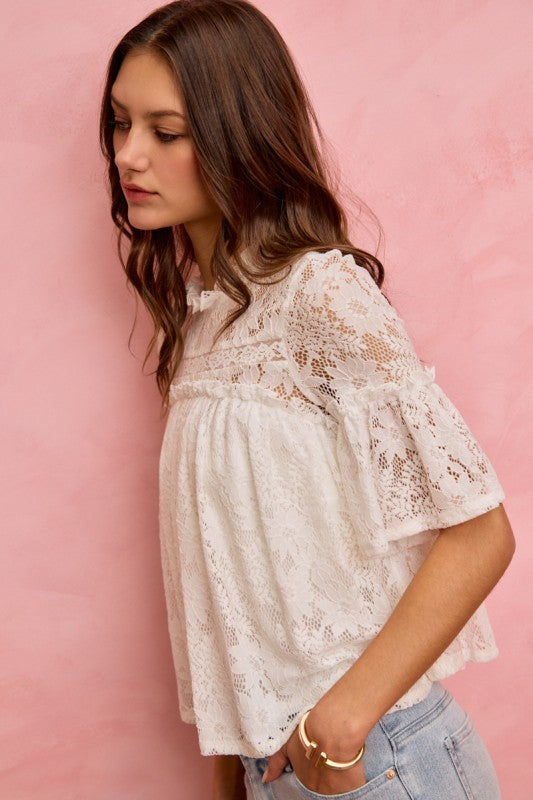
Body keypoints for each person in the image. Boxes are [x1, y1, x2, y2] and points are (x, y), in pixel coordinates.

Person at [99, 1, 516, 798]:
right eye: (120, 124)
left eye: (165, 130)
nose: (128, 155)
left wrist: (340, 723)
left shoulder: (319, 293)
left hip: (373, 760)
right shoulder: (205, 323)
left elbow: (480, 532)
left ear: (237, 131)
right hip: (281, 767)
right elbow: (236, 597)